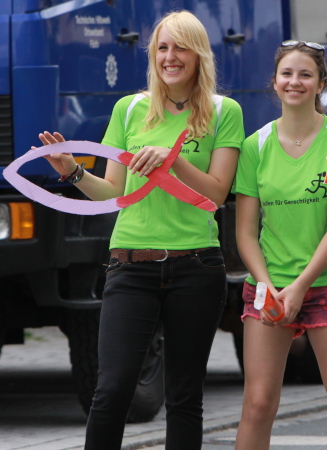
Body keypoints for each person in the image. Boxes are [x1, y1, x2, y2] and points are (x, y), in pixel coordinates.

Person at [37, 11, 244, 449]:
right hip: (130, 266)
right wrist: (72, 171)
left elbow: (216, 193)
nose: (170, 57)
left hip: (196, 266)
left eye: (181, 47)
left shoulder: (224, 112)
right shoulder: (129, 109)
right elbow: (112, 192)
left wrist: (173, 159)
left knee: (184, 397)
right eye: (162, 48)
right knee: (112, 390)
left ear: (199, 54)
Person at [233, 41, 327, 449]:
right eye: (287, 74)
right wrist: (268, 287)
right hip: (269, 289)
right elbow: (245, 233)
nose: (294, 82)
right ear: (275, 81)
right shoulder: (254, 146)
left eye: (305, 75)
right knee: (257, 405)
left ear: (321, 83)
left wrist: (300, 287)